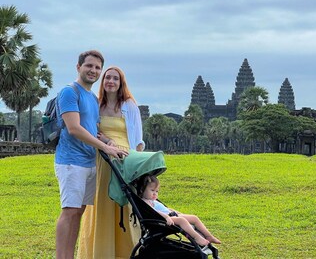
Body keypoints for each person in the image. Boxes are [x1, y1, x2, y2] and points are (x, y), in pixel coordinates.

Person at [55, 51, 128, 259]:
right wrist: (105, 148)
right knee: (69, 212)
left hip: (89, 162)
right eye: (89, 66)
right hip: (71, 162)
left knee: (79, 212)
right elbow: (74, 128)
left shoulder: (92, 99)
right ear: (78, 67)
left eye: (97, 68)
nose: (93, 71)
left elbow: (94, 130)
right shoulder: (70, 92)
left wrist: (109, 142)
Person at [77, 66, 145, 258]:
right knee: (101, 203)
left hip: (125, 159)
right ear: (103, 81)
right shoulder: (96, 105)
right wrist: (107, 142)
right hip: (103, 158)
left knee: (125, 203)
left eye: (115, 79)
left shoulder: (129, 105)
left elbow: (138, 141)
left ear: (121, 83)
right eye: (107, 78)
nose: (111, 82)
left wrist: (136, 167)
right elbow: (93, 132)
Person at [139, 175, 221, 246]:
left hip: (171, 215)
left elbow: (165, 208)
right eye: (152, 190)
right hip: (162, 219)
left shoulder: (153, 200)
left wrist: (176, 212)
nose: (155, 194)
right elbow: (154, 212)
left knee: (194, 218)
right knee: (182, 220)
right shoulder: (145, 201)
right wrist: (167, 217)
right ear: (142, 190)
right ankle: (197, 238)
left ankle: (208, 236)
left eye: (157, 191)